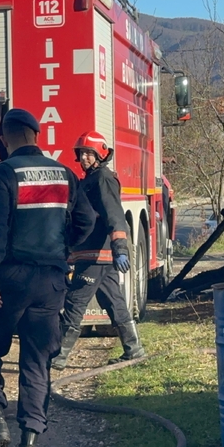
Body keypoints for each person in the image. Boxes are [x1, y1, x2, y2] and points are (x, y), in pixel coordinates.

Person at [0, 109, 95, 447]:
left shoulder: (4, 173)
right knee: (37, 358)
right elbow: (86, 220)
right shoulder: (65, 174)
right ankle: (30, 437)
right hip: (51, 281)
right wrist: (64, 248)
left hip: (11, 278)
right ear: (36, 135)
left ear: (4, 139)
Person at [52, 131, 145, 372]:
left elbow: (114, 213)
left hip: (97, 255)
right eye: (81, 153)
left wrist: (120, 247)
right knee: (112, 300)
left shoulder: (102, 178)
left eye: (88, 153)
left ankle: (60, 356)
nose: (83, 158)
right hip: (93, 254)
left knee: (75, 301)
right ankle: (134, 349)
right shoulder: (90, 180)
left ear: (100, 155)